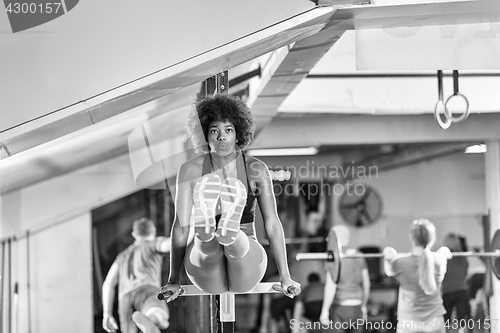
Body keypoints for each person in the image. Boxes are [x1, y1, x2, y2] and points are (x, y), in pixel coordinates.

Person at [160, 94, 300, 302]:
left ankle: (226, 234)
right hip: (227, 262)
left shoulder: (255, 169)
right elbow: (181, 226)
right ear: (205, 136)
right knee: (208, 246)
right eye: (214, 131)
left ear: (238, 135)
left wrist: (285, 276)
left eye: (228, 130)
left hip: (242, 252)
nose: (221, 137)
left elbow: (272, 223)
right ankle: (210, 234)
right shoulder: (189, 170)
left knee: (228, 247)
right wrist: (173, 279)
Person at [102, 218, 170, 333]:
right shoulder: (152, 244)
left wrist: (107, 314)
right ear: (153, 231)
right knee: (160, 314)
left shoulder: (122, 256)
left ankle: (151, 322)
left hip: (125, 299)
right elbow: (170, 244)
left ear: (134, 234)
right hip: (145, 290)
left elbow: (108, 284)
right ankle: (152, 320)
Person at [383, 219, 448, 333]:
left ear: (411, 238)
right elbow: (440, 255)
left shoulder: (399, 262)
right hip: (435, 322)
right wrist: (443, 250)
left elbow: (389, 272)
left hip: (409, 323)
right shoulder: (440, 260)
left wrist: (388, 258)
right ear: (432, 239)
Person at [319, 225, 370, 333]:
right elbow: (366, 283)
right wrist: (364, 306)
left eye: (330, 236)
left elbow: (331, 285)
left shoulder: (332, 257)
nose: (327, 239)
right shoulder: (359, 255)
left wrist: (325, 310)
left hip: (340, 308)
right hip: (357, 307)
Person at [441, 233, 470, 332]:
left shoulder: (443, 258)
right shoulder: (463, 257)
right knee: (462, 322)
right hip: (462, 290)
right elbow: (465, 273)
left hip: (448, 291)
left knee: (446, 322)